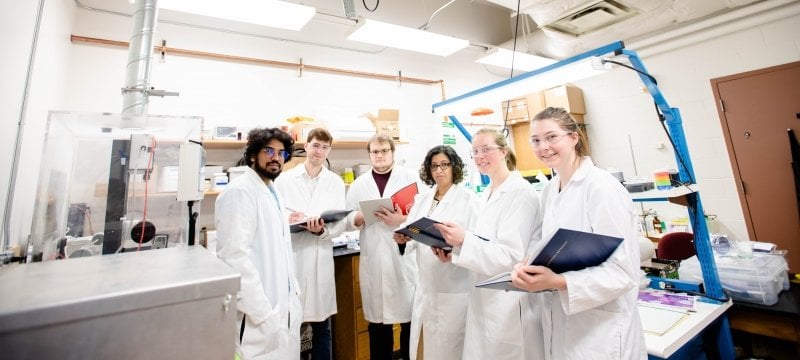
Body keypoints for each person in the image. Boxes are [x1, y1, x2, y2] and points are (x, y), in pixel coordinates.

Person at [510, 107, 646, 359]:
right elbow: (549, 246)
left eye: (551, 137)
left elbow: (623, 273)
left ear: (573, 138)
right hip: (565, 326)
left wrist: (558, 282)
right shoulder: (550, 190)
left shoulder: (602, 188)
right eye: (536, 140)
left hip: (602, 330)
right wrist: (528, 265)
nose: (543, 147)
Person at [434, 128, 544, 360]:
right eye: (475, 151)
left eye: (486, 149)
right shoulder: (487, 193)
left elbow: (511, 257)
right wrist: (454, 250)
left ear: (504, 151)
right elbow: (484, 245)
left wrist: (464, 239)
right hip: (487, 299)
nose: (480, 156)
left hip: (510, 303)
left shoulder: (520, 192)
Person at [215, 127, 302, 360]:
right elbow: (234, 258)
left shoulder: (271, 190)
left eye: (281, 153)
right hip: (258, 318)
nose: (276, 157)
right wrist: (261, 312)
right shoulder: (239, 192)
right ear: (253, 155)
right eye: (268, 151)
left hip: (281, 309)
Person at [393, 145, 480, 360]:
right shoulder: (422, 199)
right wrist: (404, 239)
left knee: (451, 349)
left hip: (454, 285)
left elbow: (477, 243)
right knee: (425, 348)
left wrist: (454, 252)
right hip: (426, 287)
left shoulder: (469, 201)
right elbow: (413, 231)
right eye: (434, 166)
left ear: (454, 167)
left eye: (444, 165)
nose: (439, 170)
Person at [274, 128, 347, 360]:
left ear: (329, 151)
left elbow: (341, 222)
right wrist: (289, 219)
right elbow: (274, 216)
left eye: (325, 147)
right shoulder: (285, 179)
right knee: (291, 325)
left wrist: (322, 230)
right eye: (315, 145)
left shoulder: (334, 182)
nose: (319, 151)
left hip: (319, 254)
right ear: (306, 146)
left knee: (322, 326)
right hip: (294, 256)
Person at [345, 134, 420, 360]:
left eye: (384, 151)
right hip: (374, 259)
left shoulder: (410, 178)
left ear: (392, 152)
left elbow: (425, 217)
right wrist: (358, 218)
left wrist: (402, 221)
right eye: (375, 152)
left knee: (409, 325)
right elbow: (348, 218)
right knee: (378, 327)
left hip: (404, 257)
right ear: (369, 155)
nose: (379, 156)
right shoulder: (359, 185)